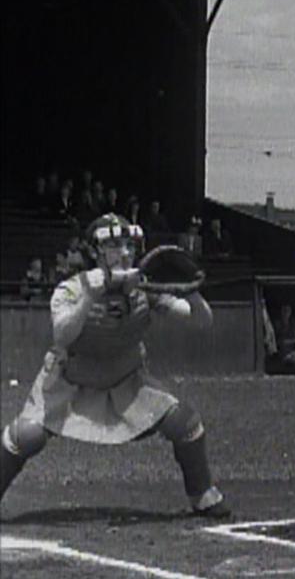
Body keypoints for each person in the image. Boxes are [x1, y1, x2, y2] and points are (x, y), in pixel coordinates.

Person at [0, 213, 230, 518]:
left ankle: (202, 494)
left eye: (128, 246)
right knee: (26, 435)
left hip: (126, 379)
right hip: (70, 380)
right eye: (114, 246)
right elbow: (63, 335)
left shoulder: (144, 288)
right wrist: (91, 297)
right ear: (96, 252)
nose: (124, 253)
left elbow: (201, 322)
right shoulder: (73, 288)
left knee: (184, 422)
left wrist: (193, 292)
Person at [273, 303, 295, 369]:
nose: (286, 313)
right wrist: (289, 341)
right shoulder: (277, 324)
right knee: (292, 362)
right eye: (284, 310)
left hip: (294, 352)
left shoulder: (294, 323)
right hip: (282, 354)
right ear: (281, 311)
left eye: (288, 310)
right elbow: (276, 342)